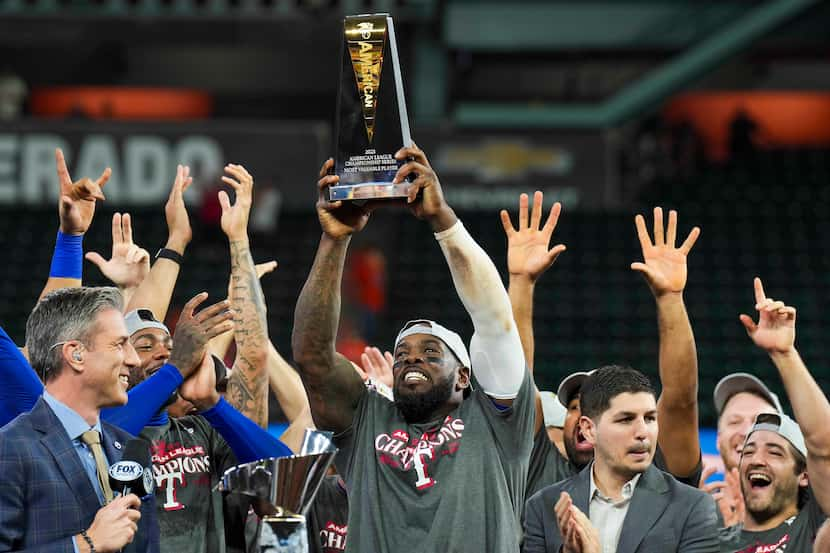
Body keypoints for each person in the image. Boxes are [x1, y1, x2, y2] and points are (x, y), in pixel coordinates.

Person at [292, 147, 534, 552]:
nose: (412, 359)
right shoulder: (367, 417)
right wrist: (334, 241)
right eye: (402, 355)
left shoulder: (496, 423)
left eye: (431, 353)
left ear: (464, 376)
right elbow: (312, 356)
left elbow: (495, 320)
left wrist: (443, 222)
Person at [503, 196, 704, 497]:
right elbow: (515, 381)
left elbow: (680, 399)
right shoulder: (538, 470)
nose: (585, 417)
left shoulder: (657, 472)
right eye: (574, 408)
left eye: (603, 408)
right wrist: (520, 282)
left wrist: (670, 299)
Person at [0, 287, 159, 553]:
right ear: (76, 354)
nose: (133, 360)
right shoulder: (10, 448)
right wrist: (85, 545)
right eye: (120, 344)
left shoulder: (130, 448)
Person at [523, 366, 719, 553]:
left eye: (650, 418)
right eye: (626, 419)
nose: (643, 432)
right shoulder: (542, 507)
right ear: (589, 430)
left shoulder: (693, 506)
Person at [719, 278, 830, 552]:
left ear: (804, 475)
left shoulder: (814, 526)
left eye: (775, 452)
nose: (757, 459)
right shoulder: (707, 539)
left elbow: (823, 444)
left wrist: (784, 354)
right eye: (749, 451)